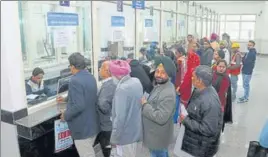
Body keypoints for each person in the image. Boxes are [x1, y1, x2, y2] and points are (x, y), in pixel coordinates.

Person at [58, 52, 99, 157]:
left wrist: (65, 115)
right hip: (93, 125)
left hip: (82, 128)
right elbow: (85, 94)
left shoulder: (74, 80)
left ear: (72, 66)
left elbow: (79, 105)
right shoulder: (90, 76)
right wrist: (66, 99)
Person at [180, 65, 223, 157]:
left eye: (193, 77)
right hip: (194, 142)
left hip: (201, 148)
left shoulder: (210, 102)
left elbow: (209, 129)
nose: (191, 78)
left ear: (199, 80)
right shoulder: (200, 90)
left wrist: (185, 120)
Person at [141, 56, 176, 157]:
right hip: (155, 134)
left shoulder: (168, 93)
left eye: (163, 72)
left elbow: (161, 117)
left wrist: (145, 105)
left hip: (158, 137)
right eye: (157, 71)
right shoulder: (161, 85)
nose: (159, 75)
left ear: (169, 75)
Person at [109, 60, 143, 157]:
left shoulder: (122, 89)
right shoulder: (136, 81)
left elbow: (120, 118)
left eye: (111, 74)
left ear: (117, 75)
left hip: (125, 137)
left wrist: (114, 139)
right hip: (136, 132)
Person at [95, 61, 116, 157]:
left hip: (106, 124)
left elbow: (102, 103)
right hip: (109, 123)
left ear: (107, 71)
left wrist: (107, 112)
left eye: (101, 68)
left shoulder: (108, 85)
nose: (99, 69)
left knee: (107, 149)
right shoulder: (112, 82)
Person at [212, 60, 232, 132]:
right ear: (216, 66)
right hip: (211, 103)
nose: (221, 68)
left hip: (221, 105)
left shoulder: (226, 78)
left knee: (218, 123)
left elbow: (225, 93)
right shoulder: (212, 75)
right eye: (220, 66)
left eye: (223, 67)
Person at [179, 42, 200, 106]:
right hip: (182, 79)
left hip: (191, 79)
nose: (194, 48)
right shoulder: (183, 58)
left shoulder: (197, 57)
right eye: (192, 46)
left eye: (195, 46)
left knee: (188, 96)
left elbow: (197, 69)